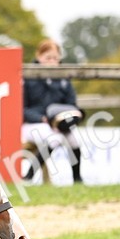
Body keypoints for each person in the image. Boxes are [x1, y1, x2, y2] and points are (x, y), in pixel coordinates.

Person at [21, 38, 84, 184]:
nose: (52, 61)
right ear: (39, 57)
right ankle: (29, 174)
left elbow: (71, 103)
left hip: (57, 124)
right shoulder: (28, 77)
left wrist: (64, 118)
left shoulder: (63, 78)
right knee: (55, 139)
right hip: (32, 124)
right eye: (48, 57)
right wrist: (41, 118)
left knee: (74, 140)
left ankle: (77, 179)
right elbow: (22, 109)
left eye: (55, 58)